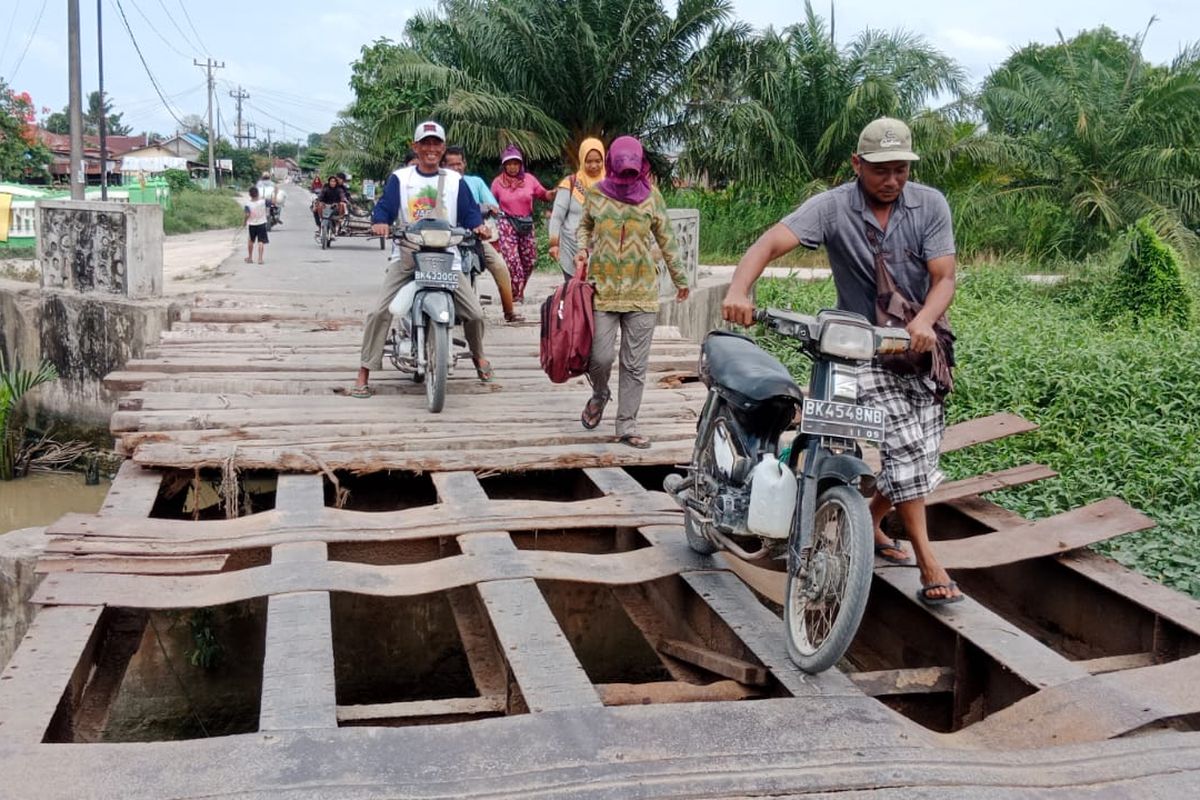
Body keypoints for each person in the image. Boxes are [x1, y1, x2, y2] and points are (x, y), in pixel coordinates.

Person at [721, 116, 962, 606]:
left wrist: (923, 323)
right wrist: (738, 289)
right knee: (901, 443)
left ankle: (871, 520)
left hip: (918, 350)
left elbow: (945, 278)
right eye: (880, 171)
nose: (892, 180)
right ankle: (928, 559)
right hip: (862, 349)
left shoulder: (930, 204)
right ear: (857, 164)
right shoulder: (832, 207)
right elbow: (770, 242)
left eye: (901, 170)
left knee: (919, 451)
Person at [352, 120, 494, 398]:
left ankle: (479, 357)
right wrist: (380, 221)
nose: (431, 148)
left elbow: (469, 213)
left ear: (443, 147)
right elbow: (384, 208)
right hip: (408, 255)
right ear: (415, 147)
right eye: (425, 143)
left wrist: (478, 226)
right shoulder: (401, 179)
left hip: (446, 258)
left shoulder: (455, 181)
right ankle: (365, 369)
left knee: (475, 313)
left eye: (436, 143)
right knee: (380, 311)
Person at [575, 135, 689, 449]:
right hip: (604, 289)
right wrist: (582, 249)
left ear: (640, 166)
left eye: (631, 168)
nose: (626, 174)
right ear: (612, 164)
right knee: (599, 357)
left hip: (642, 292)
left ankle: (627, 425)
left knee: (635, 364)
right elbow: (584, 225)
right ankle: (600, 393)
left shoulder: (652, 196)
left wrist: (681, 279)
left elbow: (667, 238)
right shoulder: (596, 194)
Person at [443, 145, 523, 322]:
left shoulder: (475, 182)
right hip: (447, 239)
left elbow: (492, 204)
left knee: (500, 266)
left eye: (459, 163)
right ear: (443, 167)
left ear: (465, 163)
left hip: (474, 237)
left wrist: (490, 210)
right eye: (451, 165)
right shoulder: (440, 184)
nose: (456, 168)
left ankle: (509, 311)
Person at [491, 145, 555, 303]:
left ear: (520, 164)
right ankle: (516, 295)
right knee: (513, 261)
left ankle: (517, 289)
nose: (512, 167)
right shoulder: (497, 183)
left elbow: (544, 195)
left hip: (526, 223)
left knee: (529, 260)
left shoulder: (529, 180)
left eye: (516, 163)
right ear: (504, 165)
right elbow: (490, 202)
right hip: (506, 223)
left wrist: (555, 193)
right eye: (509, 164)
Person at [549, 138, 606, 280]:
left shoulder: (610, 185)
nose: (593, 165)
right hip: (571, 250)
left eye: (598, 161)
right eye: (589, 161)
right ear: (582, 160)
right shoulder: (570, 184)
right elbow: (557, 217)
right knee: (575, 294)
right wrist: (554, 244)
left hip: (601, 252)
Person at [243, 186, 269, 264]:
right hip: (261, 223)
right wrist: (275, 192)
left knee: (250, 241)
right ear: (257, 193)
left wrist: (244, 222)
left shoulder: (248, 204)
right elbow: (273, 202)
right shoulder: (263, 202)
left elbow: (247, 214)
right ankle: (260, 259)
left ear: (250, 194)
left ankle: (250, 257)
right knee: (260, 241)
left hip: (252, 224)